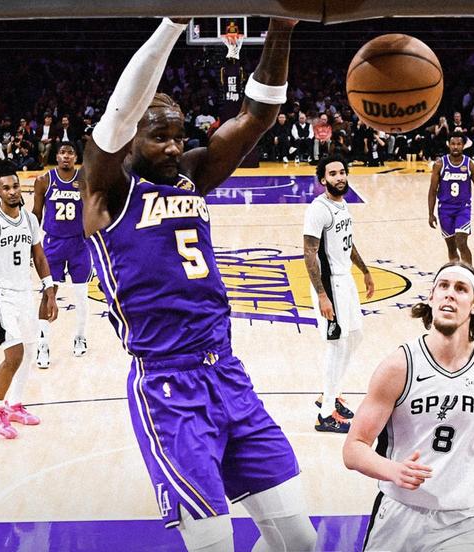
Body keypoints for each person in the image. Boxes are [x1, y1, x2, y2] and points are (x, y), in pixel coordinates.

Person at [82, 17, 316, 552]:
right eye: (158, 137)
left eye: (177, 136)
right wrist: (173, 23)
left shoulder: (192, 175)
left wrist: (282, 26)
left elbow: (257, 117)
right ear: (131, 140)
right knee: (214, 543)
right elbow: (118, 115)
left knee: (299, 541)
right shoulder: (107, 191)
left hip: (227, 373)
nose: (172, 147)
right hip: (168, 386)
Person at [343, 261, 474, 551]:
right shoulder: (399, 366)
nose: (449, 293)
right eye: (443, 286)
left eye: (461, 288)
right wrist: (393, 470)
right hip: (398, 514)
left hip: (461, 519)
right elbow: (353, 449)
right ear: (431, 297)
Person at [0, 161, 58, 439]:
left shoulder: (30, 220)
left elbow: (39, 256)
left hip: (24, 293)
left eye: (15, 186)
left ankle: (15, 405)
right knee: (14, 354)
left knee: (29, 352)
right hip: (1, 296)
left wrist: (49, 289)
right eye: (6, 188)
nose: (12, 191)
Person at [303, 155, 374, 434]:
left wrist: (365, 270)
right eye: (333, 174)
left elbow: (348, 243)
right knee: (337, 344)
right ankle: (325, 416)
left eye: (342, 172)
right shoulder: (318, 209)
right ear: (323, 180)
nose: (339, 177)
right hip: (330, 284)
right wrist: (322, 295)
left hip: (346, 281)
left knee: (356, 336)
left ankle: (330, 395)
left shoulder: (343, 205)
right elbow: (309, 253)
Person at [32, 142, 91, 367]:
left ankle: (80, 336)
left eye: (70, 153)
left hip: (79, 244)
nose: (66, 156)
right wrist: (31, 244)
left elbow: (92, 211)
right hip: (53, 244)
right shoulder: (44, 180)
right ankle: (43, 345)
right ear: (56, 156)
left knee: (81, 295)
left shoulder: (84, 179)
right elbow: (36, 214)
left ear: (76, 157)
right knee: (48, 295)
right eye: (62, 152)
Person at [428, 132, 474, 265]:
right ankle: (455, 271)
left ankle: (469, 271)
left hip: (463, 208)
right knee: (451, 246)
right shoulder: (439, 164)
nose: (455, 147)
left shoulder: (470, 165)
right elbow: (432, 191)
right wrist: (430, 214)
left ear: (463, 146)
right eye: (453, 144)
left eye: (458, 144)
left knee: (461, 242)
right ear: (448, 145)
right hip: (444, 209)